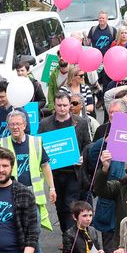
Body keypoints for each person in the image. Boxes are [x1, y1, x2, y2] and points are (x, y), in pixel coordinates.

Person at [0, 110, 55, 253]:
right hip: (11, 192)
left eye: (18, 124)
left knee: (34, 227)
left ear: (24, 125)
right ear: (8, 126)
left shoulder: (36, 142)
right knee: (15, 226)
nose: (15, 127)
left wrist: (52, 188)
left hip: (32, 193)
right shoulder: (2, 143)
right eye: (12, 124)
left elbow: (45, 165)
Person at [39, 92, 91, 236]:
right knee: (60, 207)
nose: (62, 108)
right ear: (54, 106)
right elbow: (39, 145)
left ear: (70, 106)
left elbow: (87, 144)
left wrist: (82, 156)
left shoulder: (80, 122)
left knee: (70, 205)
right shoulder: (45, 124)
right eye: (59, 105)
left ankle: (70, 238)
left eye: (65, 105)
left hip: (74, 172)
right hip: (54, 173)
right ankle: (65, 233)